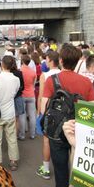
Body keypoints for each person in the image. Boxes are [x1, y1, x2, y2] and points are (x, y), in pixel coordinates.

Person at [41, 44, 94, 187]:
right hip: (80, 134)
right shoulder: (86, 82)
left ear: (61, 61)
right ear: (78, 61)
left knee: (62, 176)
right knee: (85, 175)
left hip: (58, 135)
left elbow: (44, 109)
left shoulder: (52, 80)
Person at [0, 55, 21, 170]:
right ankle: (13, 161)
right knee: (11, 138)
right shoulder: (16, 79)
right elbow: (15, 92)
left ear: (1, 64)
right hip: (10, 113)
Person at [36, 50, 61, 180]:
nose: (45, 61)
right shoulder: (63, 74)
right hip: (62, 111)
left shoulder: (44, 75)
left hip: (48, 110)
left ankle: (45, 168)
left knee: (47, 140)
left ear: (51, 61)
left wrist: (39, 111)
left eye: (46, 59)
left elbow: (41, 95)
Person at [19, 54, 37, 140]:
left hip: (22, 95)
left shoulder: (20, 71)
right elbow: (33, 84)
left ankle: (22, 135)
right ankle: (32, 134)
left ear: (22, 61)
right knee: (32, 115)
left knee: (22, 115)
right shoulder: (33, 72)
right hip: (31, 95)